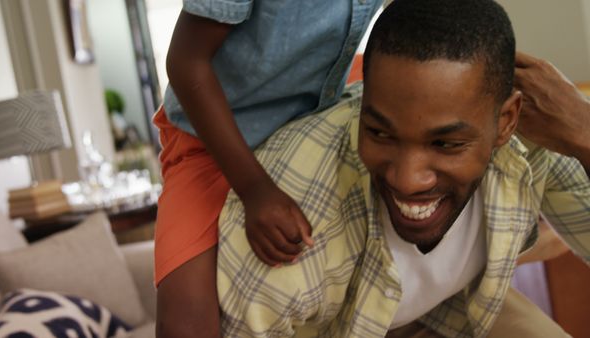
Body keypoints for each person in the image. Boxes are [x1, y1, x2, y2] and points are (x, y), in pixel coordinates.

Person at [216, 0, 590, 336]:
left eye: (446, 143)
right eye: (380, 133)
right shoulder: (301, 214)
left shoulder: (531, 142)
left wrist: (586, 134)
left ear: (506, 121)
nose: (407, 179)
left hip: (454, 309)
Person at [153, 1, 383, 337]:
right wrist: (254, 189)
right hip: (209, 139)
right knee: (183, 323)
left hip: (317, 111)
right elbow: (186, 62)